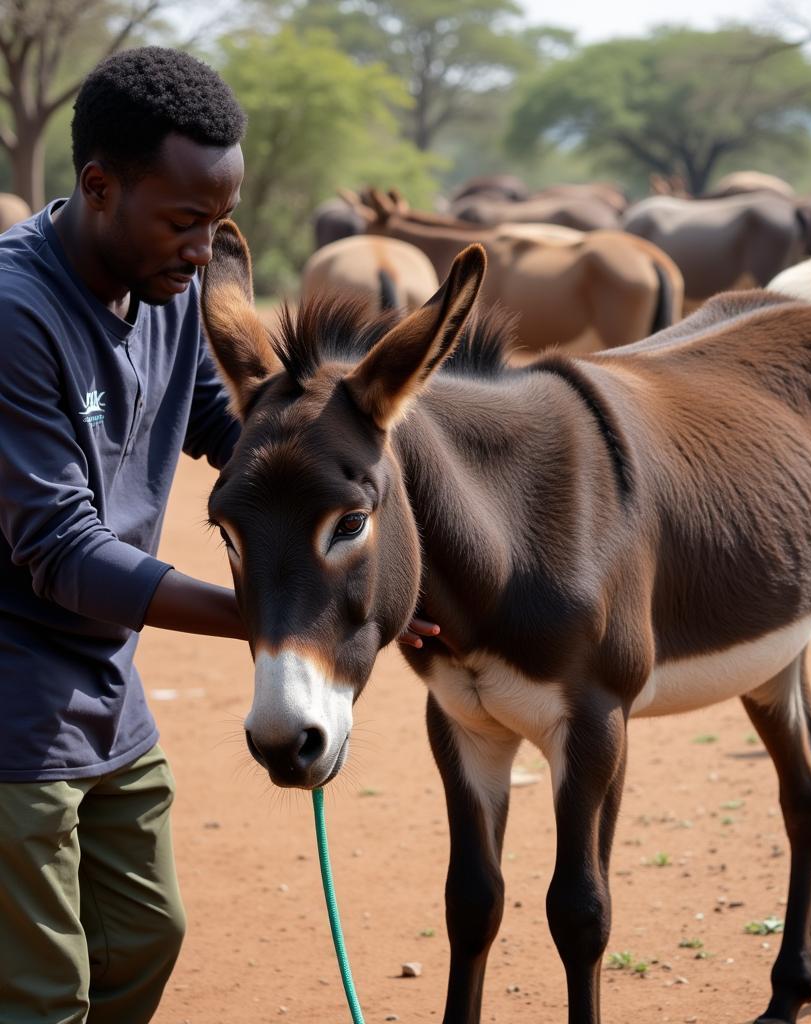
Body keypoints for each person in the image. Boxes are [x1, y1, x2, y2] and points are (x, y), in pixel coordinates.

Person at [0, 46, 436, 1024]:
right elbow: (61, 550)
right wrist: (282, 622)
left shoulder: (160, 292)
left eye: (218, 225)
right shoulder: (15, 315)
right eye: (184, 222)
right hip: (11, 701)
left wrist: (377, 585)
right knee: (39, 992)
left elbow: (240, 440)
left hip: (102, 687)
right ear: (99, 186)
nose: (205, 253)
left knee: (146, 935)